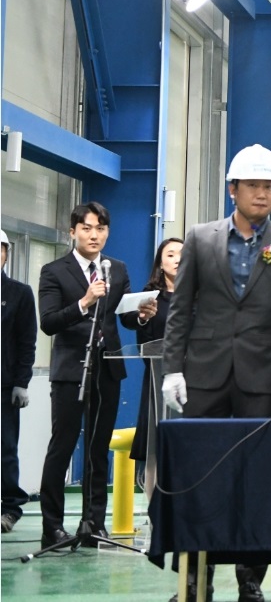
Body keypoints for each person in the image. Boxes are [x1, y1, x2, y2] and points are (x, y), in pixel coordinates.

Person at [163, 144, 271, 602]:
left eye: (269, 186)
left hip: (260, 377)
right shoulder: (200, 238)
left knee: (258, 477)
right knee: (198, 477)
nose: (262, 194)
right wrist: (173, 369)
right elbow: (181, 310)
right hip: (203, 375)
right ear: (233, 190)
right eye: (253, 185)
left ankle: (251, 577)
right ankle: (196, 576)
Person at [37, 202, 130, 548]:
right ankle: (52, 527)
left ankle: (93, 524)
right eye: (87, 228)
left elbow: (124, 315)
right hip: (70, 370)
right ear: (73, 231)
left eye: (101, 229)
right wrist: (84, 302)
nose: (94, 235)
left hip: (107, 369)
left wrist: (142, 313)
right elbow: (49, 322)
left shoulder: (116, 268)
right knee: (62, 447)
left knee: (97, 448)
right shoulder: (53, 271)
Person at [118, 237, 183, 475]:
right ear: (160, 264)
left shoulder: (202, 295)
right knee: (155, 447)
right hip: (159, 379)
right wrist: (143, 317)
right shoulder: (150, 297)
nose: (177, 259)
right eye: (170, 254)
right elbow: (133, 325)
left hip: (197, 379)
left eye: (182, 254)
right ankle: (154, 497)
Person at [2, 230, 37, 533]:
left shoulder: (19, 293)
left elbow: (27, 341)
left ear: (6, 254)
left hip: (4, 386)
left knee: (4, 448)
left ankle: (10, 507)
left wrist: (21, 382)